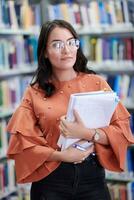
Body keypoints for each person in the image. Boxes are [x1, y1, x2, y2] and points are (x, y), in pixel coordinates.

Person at [7, 19, 134, 200]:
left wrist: (87, 133)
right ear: (44, 52)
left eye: (71, 42)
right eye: (57, 44)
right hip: (51, 181)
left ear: (77, 46)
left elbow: (122, 133)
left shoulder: (97, 83)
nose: (66, 50)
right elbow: (24, 145)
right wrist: (62, 155)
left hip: (93, 180)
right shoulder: (34, 92)